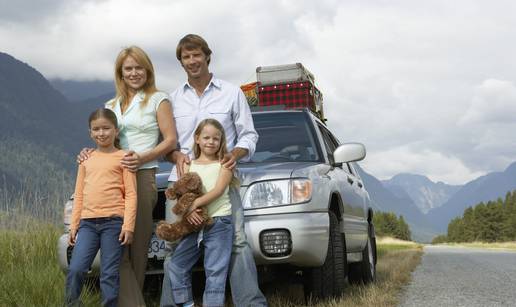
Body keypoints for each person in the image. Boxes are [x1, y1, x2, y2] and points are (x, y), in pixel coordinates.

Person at [161, 34, 267, 307]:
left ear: (207, 56)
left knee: (238, 242)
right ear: (181, 62)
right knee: (175, 248)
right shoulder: (172, 100)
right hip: (183, 184)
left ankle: (250, 303)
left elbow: (249, 136)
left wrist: (235, 153)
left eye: (197, 54)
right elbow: (166, 145)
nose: (192, 61)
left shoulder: (231, 93)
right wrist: (174, 155)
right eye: (186, 56)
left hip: (221, 183)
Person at [78, 46, 177, 306]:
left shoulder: (159, 99)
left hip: (143, 176)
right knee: (116, 250)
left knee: (137, 247)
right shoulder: (111, 105)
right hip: (114, 180)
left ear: (147, 70)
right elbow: (104, 137)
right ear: (120, 74)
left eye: (138, 68)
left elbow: (170, 140)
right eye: (128, 69)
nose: (134, 73)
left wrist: (142, 157)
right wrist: (90, 152)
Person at [66, 108, 137, 307]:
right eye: (96, 129)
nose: (101, 133)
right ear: (90, 132)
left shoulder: (124, 157)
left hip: (114, 224)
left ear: (116, 130)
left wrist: (128, 226)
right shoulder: (85, 159)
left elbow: (131, 194)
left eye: (106, 128)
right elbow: (79, 194)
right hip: (87, 224)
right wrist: (74, 225)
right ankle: (71, 303)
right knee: (76, 269)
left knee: (109, 273)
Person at [166, 119, 235, 307]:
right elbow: (183, 193)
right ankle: (186, 304)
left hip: (219, 222)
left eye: (216, 139)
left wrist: (192, 205)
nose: (211, 142)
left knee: (215, 271)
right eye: (206, 137)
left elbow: (217, 191)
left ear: (221, 142)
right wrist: (188, 212)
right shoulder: (189, 164)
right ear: (197, 138)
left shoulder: (225, 164)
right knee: (177, 265)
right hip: (193, 224)